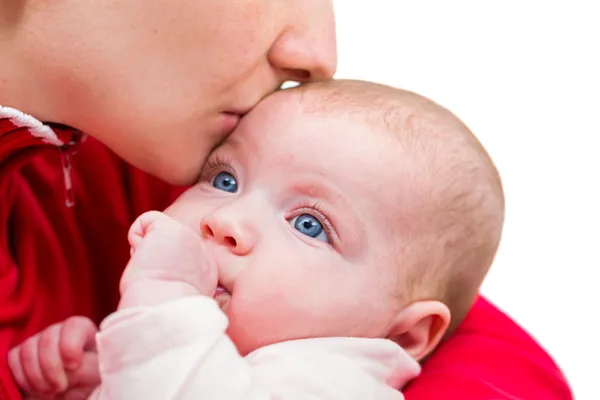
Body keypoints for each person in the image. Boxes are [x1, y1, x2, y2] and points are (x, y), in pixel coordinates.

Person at [0, 1, 572, 399]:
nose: (319, 56)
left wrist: (135, 339)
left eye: (308, 223)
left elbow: (499, 362)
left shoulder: (146, 157)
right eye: (223, 181)